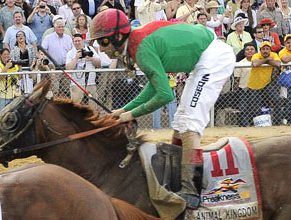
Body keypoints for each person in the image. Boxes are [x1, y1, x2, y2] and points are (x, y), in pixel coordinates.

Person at [93, 9, 235, 208]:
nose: (101, 48)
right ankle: (178, 178)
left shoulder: (140, 49)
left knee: (189, 123)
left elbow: (164, 95)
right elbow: (155, 86)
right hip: (205, 56)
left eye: (102, 42)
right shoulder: (137, 41)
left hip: (212, 59)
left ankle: (192, 191)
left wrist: (130, 115)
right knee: (180, 121)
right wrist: (124, 110)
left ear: (117, 37)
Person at [247, 41, 281, 123]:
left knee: (277, 100)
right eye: (263, 49)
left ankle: (277, 122)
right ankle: (254, 124)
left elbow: (278, 64)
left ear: (270, 50)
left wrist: (264, 61)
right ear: (260, 50)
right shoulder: (256, 55)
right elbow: (255, 63)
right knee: (254, 107)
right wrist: (267, 59)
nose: (265, 51)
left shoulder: (273, 55)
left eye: (267, 49)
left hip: (266, 84)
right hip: (254, 85)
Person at [65, 33, 101, 103]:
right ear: (73, 42)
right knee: (76, 107)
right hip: (76, 84)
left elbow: (99, 63)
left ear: (83, 41)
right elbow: (68, 69)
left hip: (90, 83)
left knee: (92, 106)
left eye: (79, 41)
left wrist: (91, 58)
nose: (77, 43)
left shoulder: (90, 49)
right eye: (75, 41)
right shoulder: (70, 53)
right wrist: (76, 58)